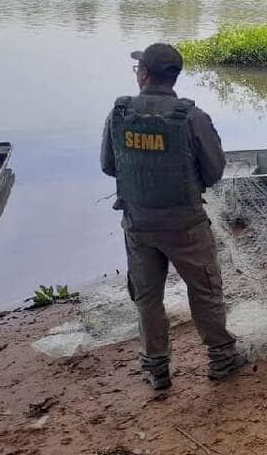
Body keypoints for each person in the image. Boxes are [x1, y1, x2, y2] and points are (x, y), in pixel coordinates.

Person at [100, 43, 246, 389]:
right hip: (186, 226)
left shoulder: (119, 113)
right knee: (205, 292)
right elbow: (213, 174)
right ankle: (222, 360)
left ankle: (156, 369)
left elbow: (108, 166)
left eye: (138, 68)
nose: (136, 74)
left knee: (148, 299)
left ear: (145, 75)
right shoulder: (191, 117)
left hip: (138, 226)